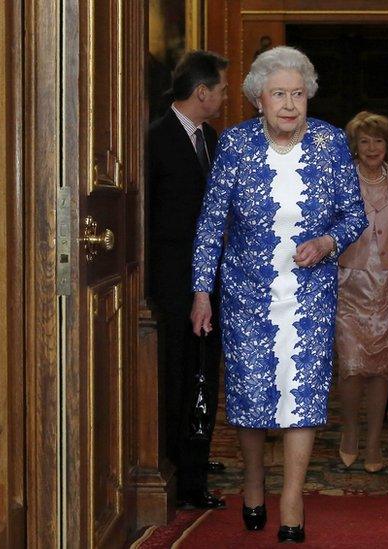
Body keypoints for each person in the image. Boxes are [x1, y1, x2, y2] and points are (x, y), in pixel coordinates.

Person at [190, 46, 367, 543]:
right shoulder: (236, 144)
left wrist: (329, 241)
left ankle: (292, 495)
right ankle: (253, 481)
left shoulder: (331, 143)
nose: (290, 104)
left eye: (298, 94)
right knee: (249, 395)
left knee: (304, 395)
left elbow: (354, 215)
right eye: (279, 95)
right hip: (246, 292)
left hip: (311, 293)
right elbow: (210, 225)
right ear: (258, 100)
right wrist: (202, 291)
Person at [146, 50, 229, 510]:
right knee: (178, 376)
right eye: (220, 88)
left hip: (210, 278)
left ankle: (195, 456)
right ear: (202, 92)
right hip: (171, 285)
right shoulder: (154, 140)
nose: (223, 96)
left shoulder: (211, 138)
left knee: (202, 371)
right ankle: (184, 473)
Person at [334, 113, 388, 473]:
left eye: (378, 141)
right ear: (355, 145)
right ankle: (350, 432)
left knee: (383, 369)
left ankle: (375, 441)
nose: (372, 148)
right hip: (349, 282)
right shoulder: (340, 179)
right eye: (365, 141)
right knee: (351, 367)